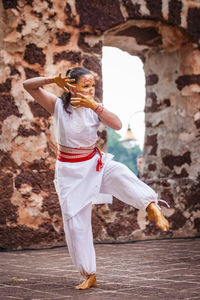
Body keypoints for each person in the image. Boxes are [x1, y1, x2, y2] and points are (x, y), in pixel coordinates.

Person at [23, 67, 169, 290]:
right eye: (86, 86)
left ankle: (150, 205)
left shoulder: (94, 108)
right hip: (69, 173)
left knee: (120, 172)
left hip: (94, 162)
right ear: (71, 86)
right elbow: (28, 85)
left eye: (93, 86)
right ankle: (89, 273)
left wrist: (96, 107)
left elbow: (118, 124)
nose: (91, 90)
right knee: (76, 224)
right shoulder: (58, 106)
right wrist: (52, 79)